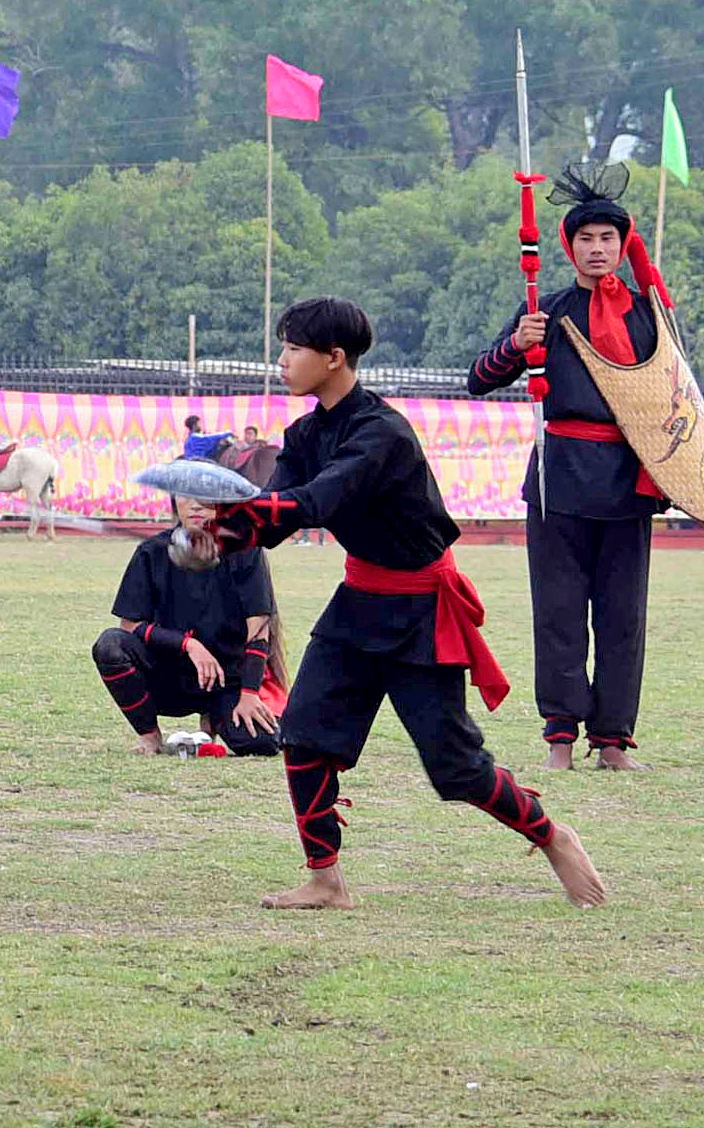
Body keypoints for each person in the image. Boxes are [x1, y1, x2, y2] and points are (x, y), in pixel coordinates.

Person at [204, 297, 605, 910]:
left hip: (421, 612)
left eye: (292, 348)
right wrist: (218, 533)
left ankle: (551, 835)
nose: (281, 361)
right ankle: (326, 880)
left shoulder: (380, 433)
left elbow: (316, 500)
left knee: (456, 768)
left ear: (334, 359)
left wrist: (242, 513)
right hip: (358, 603)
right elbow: (275, 516)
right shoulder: (306, 433)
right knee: (306, 737)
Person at [468, 167, 665, 772]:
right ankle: (559, 736)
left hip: (628, 481)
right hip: (558, 480)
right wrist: (516, 346)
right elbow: (478, 380)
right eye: (586, 239)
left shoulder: (648, 315)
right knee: (557, 611)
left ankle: (612, 740)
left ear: (622, 243)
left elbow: (677, 395)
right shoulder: (543, 310)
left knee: (622, 616)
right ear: (569, 246)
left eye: (608, 238)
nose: (597, 249)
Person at [94, 496, 283, 756]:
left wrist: (249, 694)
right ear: (175, 500)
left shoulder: (245, 550)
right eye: (187, 496)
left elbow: (259, 629)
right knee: (110, 645)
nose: (195, 505)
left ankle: (213, 718)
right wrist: (187, 644)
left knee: (263, 743)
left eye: (205, 498)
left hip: (223, 679)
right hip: (165, 674)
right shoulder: (152, 550)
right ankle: (149, 735)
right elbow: (129, 625)